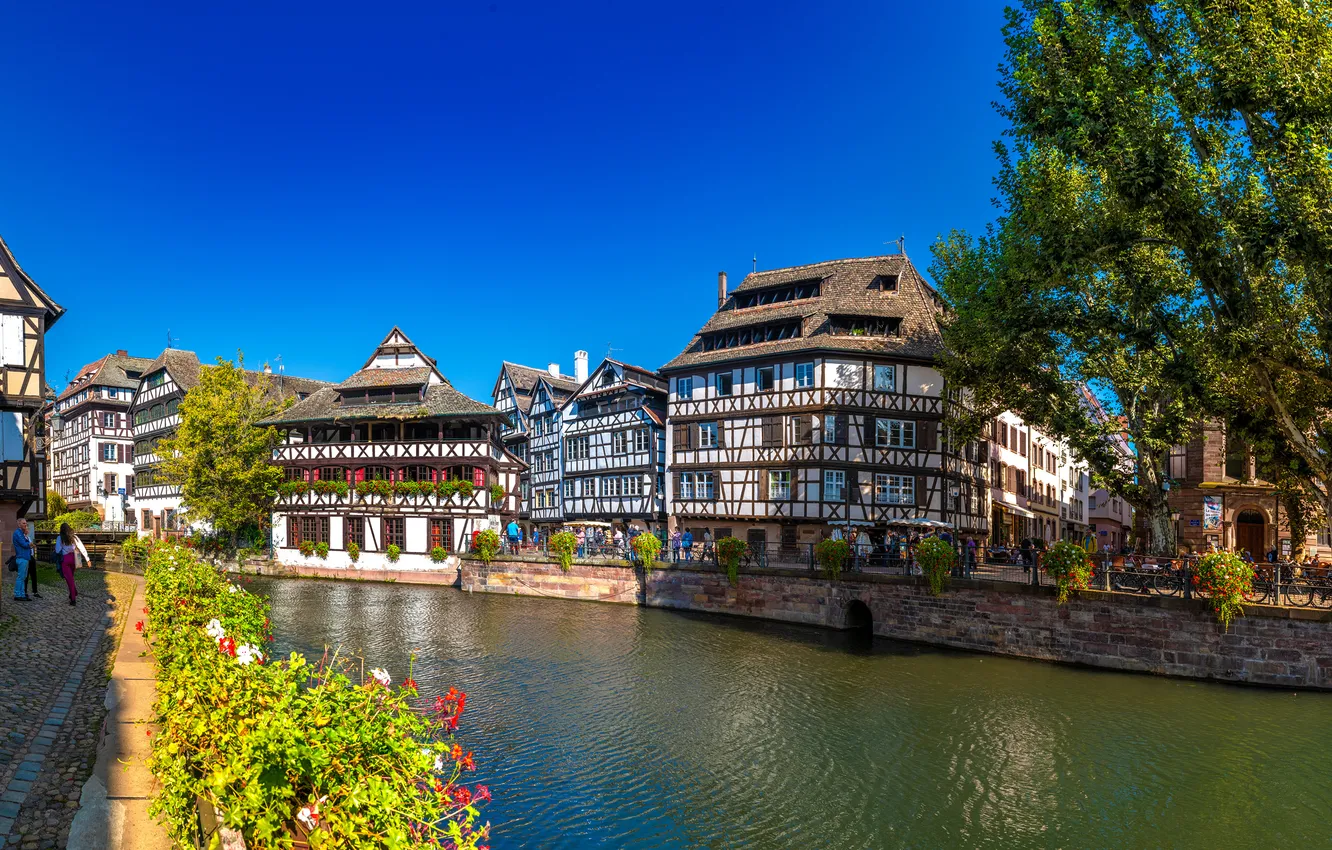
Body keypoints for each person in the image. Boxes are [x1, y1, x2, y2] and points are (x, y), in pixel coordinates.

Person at [53, 522, 83, 606]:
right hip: (73, 559)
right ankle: (73, 592)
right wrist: (87, 559)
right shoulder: (74, 537)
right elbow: (81, 546)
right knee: (71, 578)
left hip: (65, 559)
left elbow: (58, 550)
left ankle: (73, 599)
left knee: (69, 579)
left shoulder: (60, 538)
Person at [12, 518, 33, 601]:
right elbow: (24, 544)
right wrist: (30, 544)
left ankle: (22, 594)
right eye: (23, 523)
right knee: (20, 577)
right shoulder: (18, 533)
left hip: (25, 557)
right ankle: (18, 594)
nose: (25, 525)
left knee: (23, 577)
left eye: (26, 523)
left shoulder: (22, 533)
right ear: (19, 524)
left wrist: (26, 536)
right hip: (22, 557)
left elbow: (27, 543)